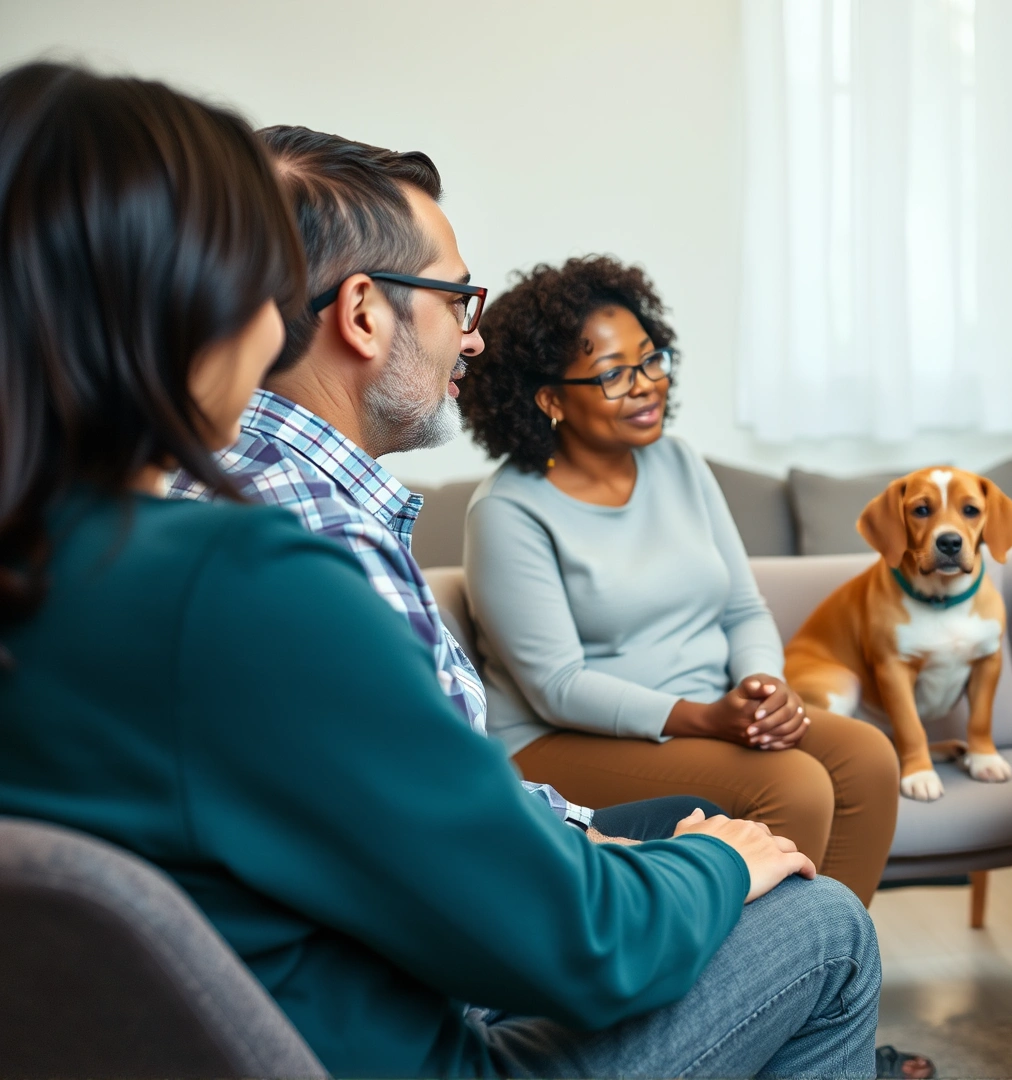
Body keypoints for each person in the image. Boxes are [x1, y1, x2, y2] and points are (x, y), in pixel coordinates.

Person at [0, 61, 878, 1079]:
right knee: (822, 927)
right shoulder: (239, 578)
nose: (272, 314)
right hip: (413, 1044)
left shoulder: (68, 560)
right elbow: (577, 946)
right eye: (250, 275)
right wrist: (718, 862)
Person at [167, 126, 715, 843]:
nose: (473, 338)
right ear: (363, 314)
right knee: (815, 913)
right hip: (462, 914)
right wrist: (659, 865)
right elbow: (461, 845)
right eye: (457, 300)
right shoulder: (329, 543)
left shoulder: (190, 484)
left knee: (698, 824)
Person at [457, 256, 901, 906]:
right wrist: (706, 719)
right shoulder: (508, 511)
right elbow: (557, 687)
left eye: (650, 359)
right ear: (549, 398)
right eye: (612, 374)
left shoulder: (678, 461)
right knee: (793, 784)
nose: (644, 385)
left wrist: (763, 686)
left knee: (867, 758)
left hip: (706, 713)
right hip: (565, 742)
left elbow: (743, 607)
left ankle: (832, 979)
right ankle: (764, 989)